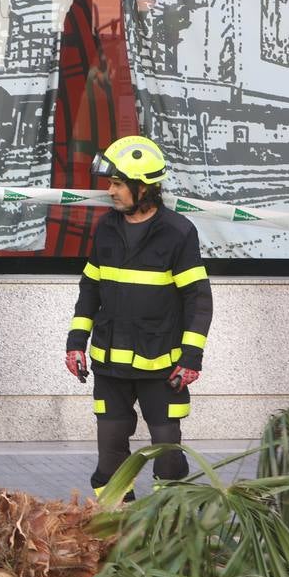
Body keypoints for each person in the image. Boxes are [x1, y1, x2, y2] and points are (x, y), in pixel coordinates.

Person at [66, 135, 212, 495]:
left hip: (161, 368)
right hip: (110, 366)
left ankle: (168, 533)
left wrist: (191, 358)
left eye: (117, 184)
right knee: (110, 462)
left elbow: (199, 299)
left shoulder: (178, 232)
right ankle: (118, 531)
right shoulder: (106, 228)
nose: (111, 192)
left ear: (143, 187)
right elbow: (90, 290)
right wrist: (75, 344)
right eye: (111, 184)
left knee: (169, 460)